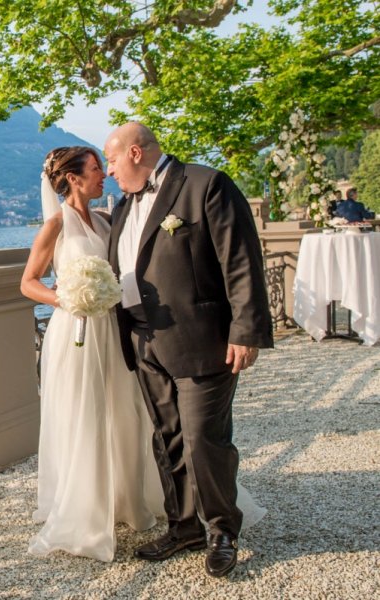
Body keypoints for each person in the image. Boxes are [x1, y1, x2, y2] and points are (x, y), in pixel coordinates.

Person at [104, 122, 273, 578]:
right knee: (168, 437)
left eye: (112, 160)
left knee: (203, 438)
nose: (108, 171)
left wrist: (246, 330)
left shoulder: (205, 184)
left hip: (202, 339)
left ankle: (222, 530)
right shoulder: (121, 207)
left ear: (135, 152)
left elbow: (240, 259)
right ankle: (184, 528)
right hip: (142, 339)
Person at [20, 146, 164, 561]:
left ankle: (126, 501)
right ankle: (85, 510)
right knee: (85, 415)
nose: (105, 174)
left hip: (112, 329)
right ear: (73, 179)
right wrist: (65, 299)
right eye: (97, 169)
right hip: (77, 330)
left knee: (123, 411)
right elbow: (28, 282)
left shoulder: (104, 219)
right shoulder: (55, 224)